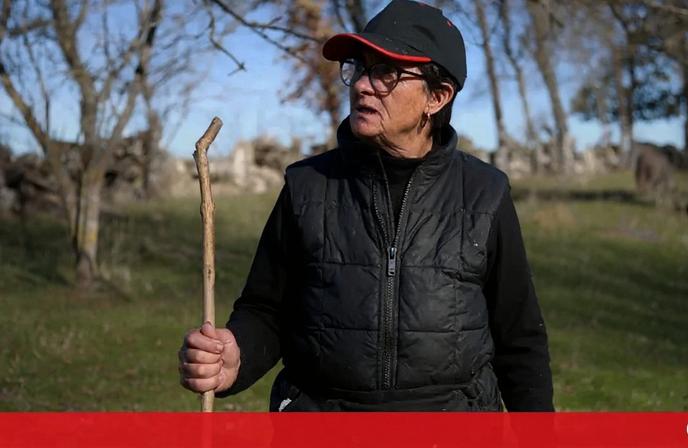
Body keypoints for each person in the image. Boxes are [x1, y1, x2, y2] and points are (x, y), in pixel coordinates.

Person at [178, 0, 553, 412]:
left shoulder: (485, 193)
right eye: (358, 67)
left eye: (386, 72)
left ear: (438, 96)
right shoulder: (307, 186)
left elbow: (520, 341)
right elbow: (266, 310)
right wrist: (237, 355)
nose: (360, 85)